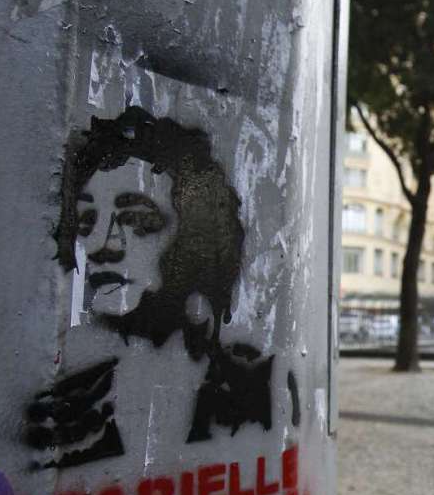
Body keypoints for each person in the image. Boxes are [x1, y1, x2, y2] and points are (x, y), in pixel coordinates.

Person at [28, 107, 278, 470]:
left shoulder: (249, 393)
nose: (103, 244)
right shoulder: (68, 415)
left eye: (136, 219)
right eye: (86, 220)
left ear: (194, 238)